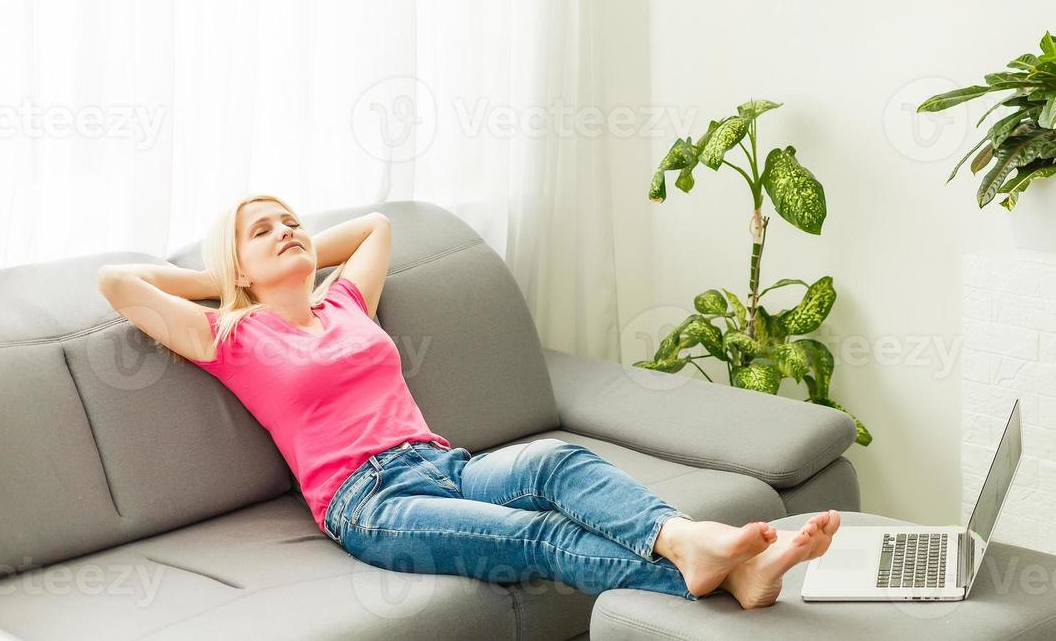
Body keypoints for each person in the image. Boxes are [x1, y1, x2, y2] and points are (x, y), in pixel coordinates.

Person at [95, 194, 841, 607]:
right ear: (239, 267)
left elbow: (376, 227)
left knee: (556, 463)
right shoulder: (232, 335)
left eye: (293, 220)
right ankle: (716, 571)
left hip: (441, 464)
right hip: (370, 503)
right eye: (264, 231)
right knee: (536, 538)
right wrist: (228, 284)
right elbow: (118, 284)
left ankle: (686, 541)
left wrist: (292, 251)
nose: (289, 230)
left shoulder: (347, 304)